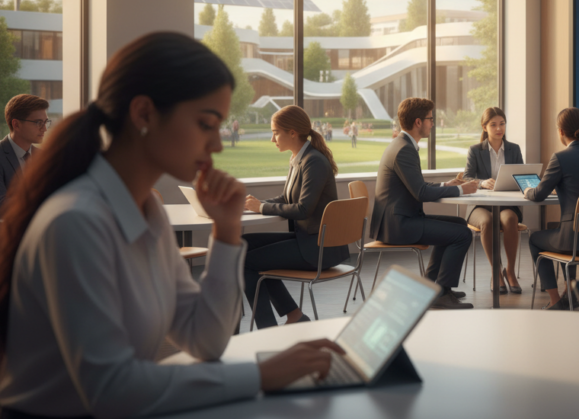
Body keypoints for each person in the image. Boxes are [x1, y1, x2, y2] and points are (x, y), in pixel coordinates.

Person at [0, 33, 341, 418]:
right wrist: (260, 375)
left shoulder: (148, 213)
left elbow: (205, 340)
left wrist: (226, 232)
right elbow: (111, 390)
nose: (216, 145)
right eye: (206, 124)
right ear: (144, 114)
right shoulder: (76, 222)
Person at [242, 105, 347, 329]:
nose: (272, 139)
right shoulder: (299, 158)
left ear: (292, 133)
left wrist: (261, 208)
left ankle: (268, 328)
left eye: (275, 132)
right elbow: (287, 197)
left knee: (245, 261)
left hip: (317, 248)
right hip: (307, 239)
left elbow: (302, 209)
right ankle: (294, 316)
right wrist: (254, 206)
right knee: (242, 245)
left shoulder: (314, 161)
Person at [369, 98, 478, 309]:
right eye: (430, 119)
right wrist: (460, 189)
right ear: (418, 122)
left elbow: (414, 185)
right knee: (463, 235)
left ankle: (430, 287)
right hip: (398, 225)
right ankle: (442, 292)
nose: (433, 123)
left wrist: (445, 184)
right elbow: (420, 193)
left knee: (458, 224)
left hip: (400, 219)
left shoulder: (401, 145)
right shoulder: (404, 150)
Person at [524, 107, 579, 310]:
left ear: (561, 131)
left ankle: (556, 301)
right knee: (564, 230)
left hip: (574, 240)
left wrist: (527, 189)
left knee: (535, 239)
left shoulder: (561, 158)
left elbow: (538, 195)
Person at [463, 107, 524, 293]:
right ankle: (496, 271)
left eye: (502, 124)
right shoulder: (475, 150)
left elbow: (522, 175)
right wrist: (481, 183)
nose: (499, 128)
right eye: (494, 125)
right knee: (487, 222)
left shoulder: (514, 149)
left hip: (505, 204)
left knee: (510, 219)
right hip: (480, 206)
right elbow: (466, 178)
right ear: (485, 127)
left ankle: (510, 272)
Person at [1, 94, 49, 207]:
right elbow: (2, 205)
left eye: (46, 122)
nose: (45, 128)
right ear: (16, 125)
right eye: (38, 122)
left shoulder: (43, 157)